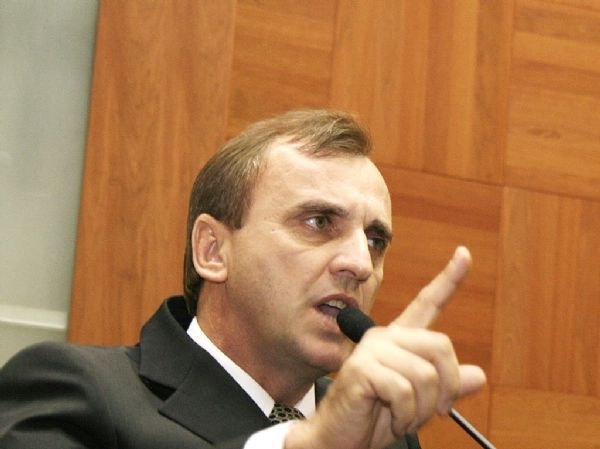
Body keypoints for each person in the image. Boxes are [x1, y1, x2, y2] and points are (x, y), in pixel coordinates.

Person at [0, 109, 486, 449]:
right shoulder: (76, 392)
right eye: (319, 222)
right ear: (213, 251)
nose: (361, 263)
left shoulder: (387, 433)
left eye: (375, 240)